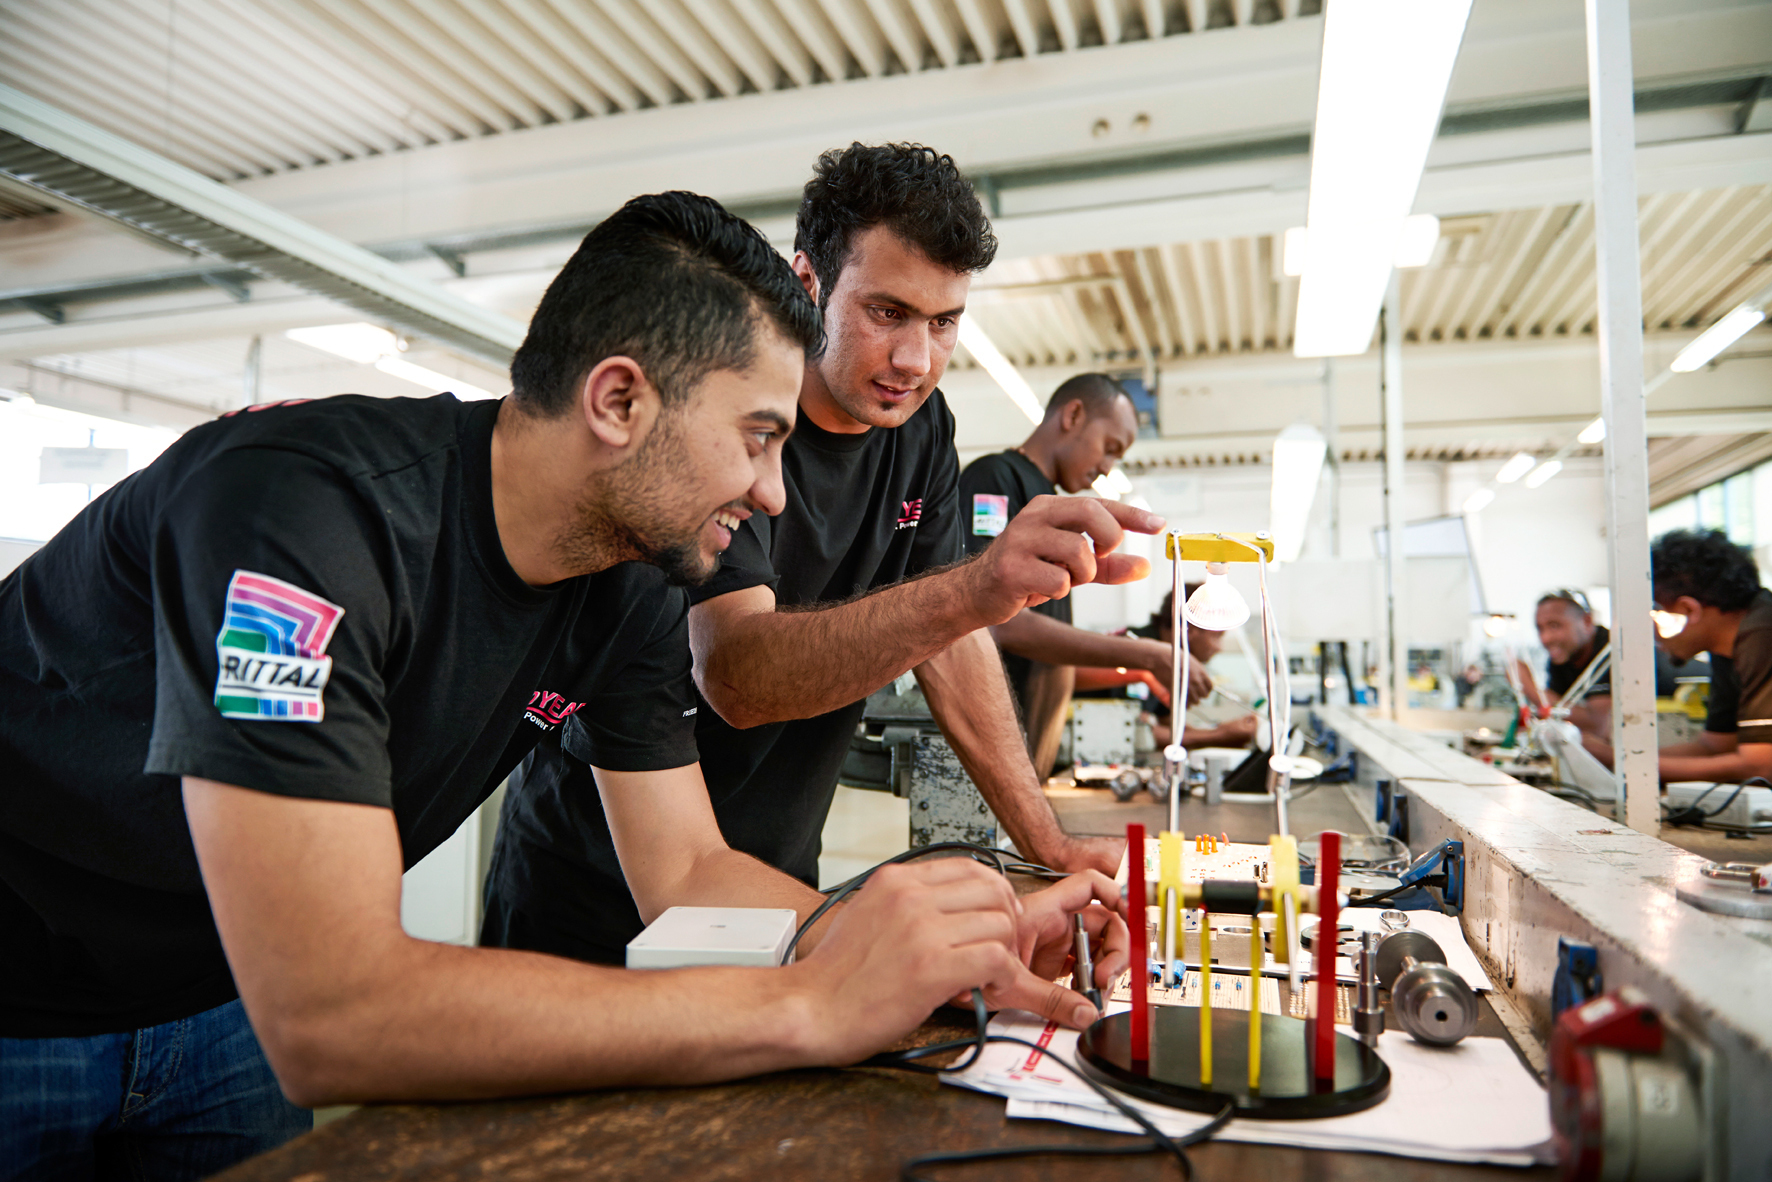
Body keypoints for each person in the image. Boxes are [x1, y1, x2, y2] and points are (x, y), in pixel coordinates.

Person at [0, 192, 1125, 1180]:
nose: (777, 497)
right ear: (619, 400)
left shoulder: (627, 581)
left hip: (215, 999)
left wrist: (917, 952)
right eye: (757, 437)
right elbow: (331, 1008)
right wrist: (804, 1000)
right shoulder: (300, 513)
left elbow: (684, 869)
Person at [480, 144, 1148, 973]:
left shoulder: (922, 435)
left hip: (771, 885)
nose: (917, 360)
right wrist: (975, 589)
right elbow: (736, 676)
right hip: (594, 899)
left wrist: (1047, 841)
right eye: (887, 312)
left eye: (944, 324)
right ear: (808, 285)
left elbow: (951, 644)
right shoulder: (714, 424)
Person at [957, 374, 1210, 778]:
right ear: (1073, 415)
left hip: (1030, 756)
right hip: (989, 749)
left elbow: (1054, 658)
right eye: (1109, 448)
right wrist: (1148, 653)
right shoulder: (996, 480)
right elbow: (995, 624)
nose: (1108, 468)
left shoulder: (1051, 505)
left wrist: (1143, 669)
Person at [1641, 529, 1772, 784]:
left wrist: (1623, 764)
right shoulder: (1728, 647)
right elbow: (1716, 746)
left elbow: (1760, 766)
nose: (1652, 634)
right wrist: (1623, 759)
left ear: (1688, 609)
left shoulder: (1763, 635)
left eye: (1656, 615)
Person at [1102, 588, 1255, 751]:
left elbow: (1167, 723)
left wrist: (1224, 731)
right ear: (1192, 628)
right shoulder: (1135, 651)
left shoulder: (1167, 665)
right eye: (1217, 636)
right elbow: (1130, 732)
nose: (1219, 648)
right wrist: (1219, 735)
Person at [1516, 589, 1612, 742]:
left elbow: (1598, 726)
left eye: (1554, 626)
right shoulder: (1564, 657)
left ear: (1587, 622)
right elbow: (1556, 718)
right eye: (1540, 629)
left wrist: (1527, 685)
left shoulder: (1611, 651)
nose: (1545, 638)